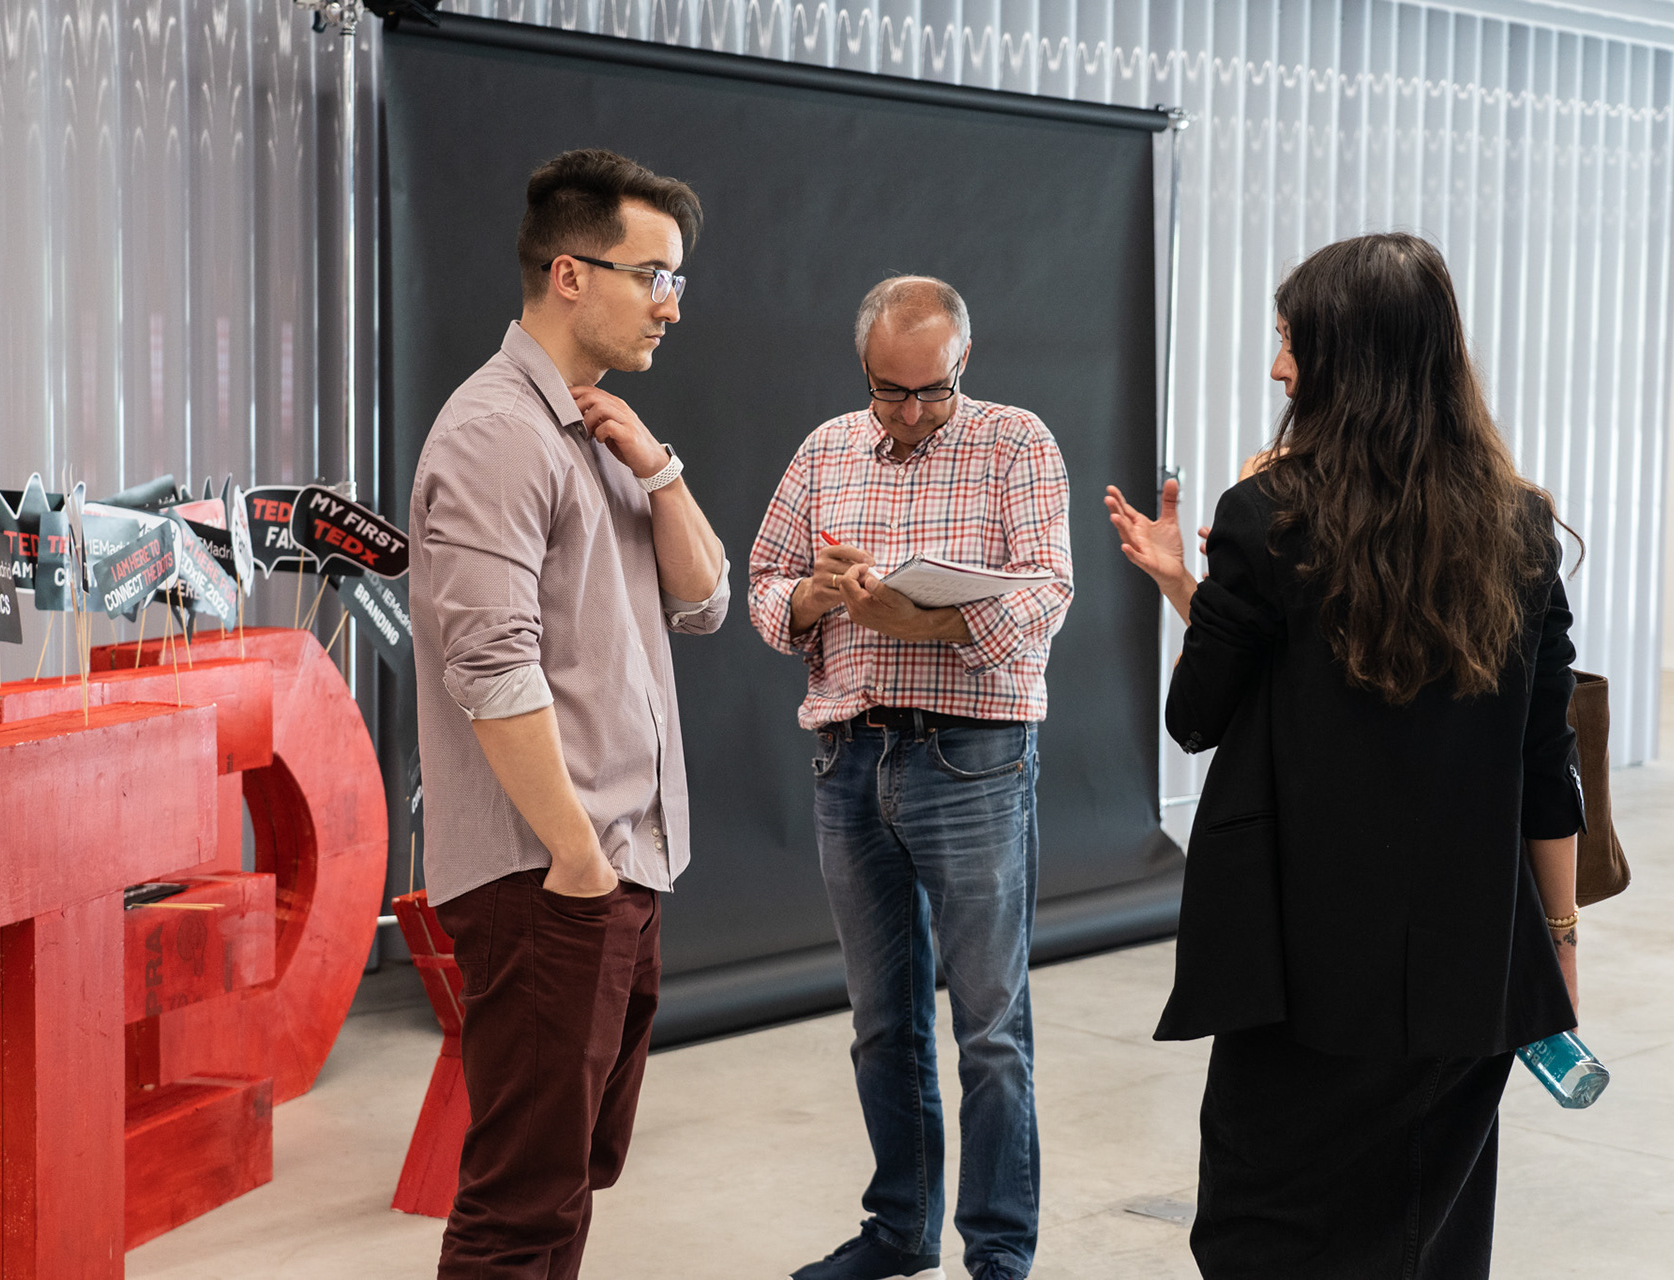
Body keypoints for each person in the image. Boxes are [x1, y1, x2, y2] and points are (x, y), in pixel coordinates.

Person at [1105, 232, 1585, 1279]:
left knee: (1264, 1233)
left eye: (1292, 340)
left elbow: (1199, 712)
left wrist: (1196, 587)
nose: (1278, 366)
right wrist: (1558, 945)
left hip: (1300, 964)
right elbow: (1547, 769)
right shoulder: (1520, 528)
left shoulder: (1267, 515)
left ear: (1348, 359)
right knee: (1428, 1234)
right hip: (1472, 962)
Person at [407, 148, 730, 1280]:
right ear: (571, 273)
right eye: (655, 275)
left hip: (615, 863)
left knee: (568, 1175)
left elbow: (706, 601)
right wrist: (578, 857)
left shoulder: (595, 430)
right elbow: (489, 665)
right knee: (520, 1202)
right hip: (548, 874)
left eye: (677, 279)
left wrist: (662, 469)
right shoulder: (495, 433)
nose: (671, 304)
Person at [749, 276, 1074, 1280]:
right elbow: (762, 585)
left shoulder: (1015, 442)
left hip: (972, 757)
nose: (911, 411)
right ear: (865, 370)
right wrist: (816, 597)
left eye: (932, 389)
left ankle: (999, 1251)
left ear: (962, 362)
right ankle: (899, 1229)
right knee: (882, 1021)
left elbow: (1047, 592)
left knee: (991, 1027)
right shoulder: (825, 449)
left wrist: (927, 620)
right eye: (890, 390)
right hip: (850, 756)